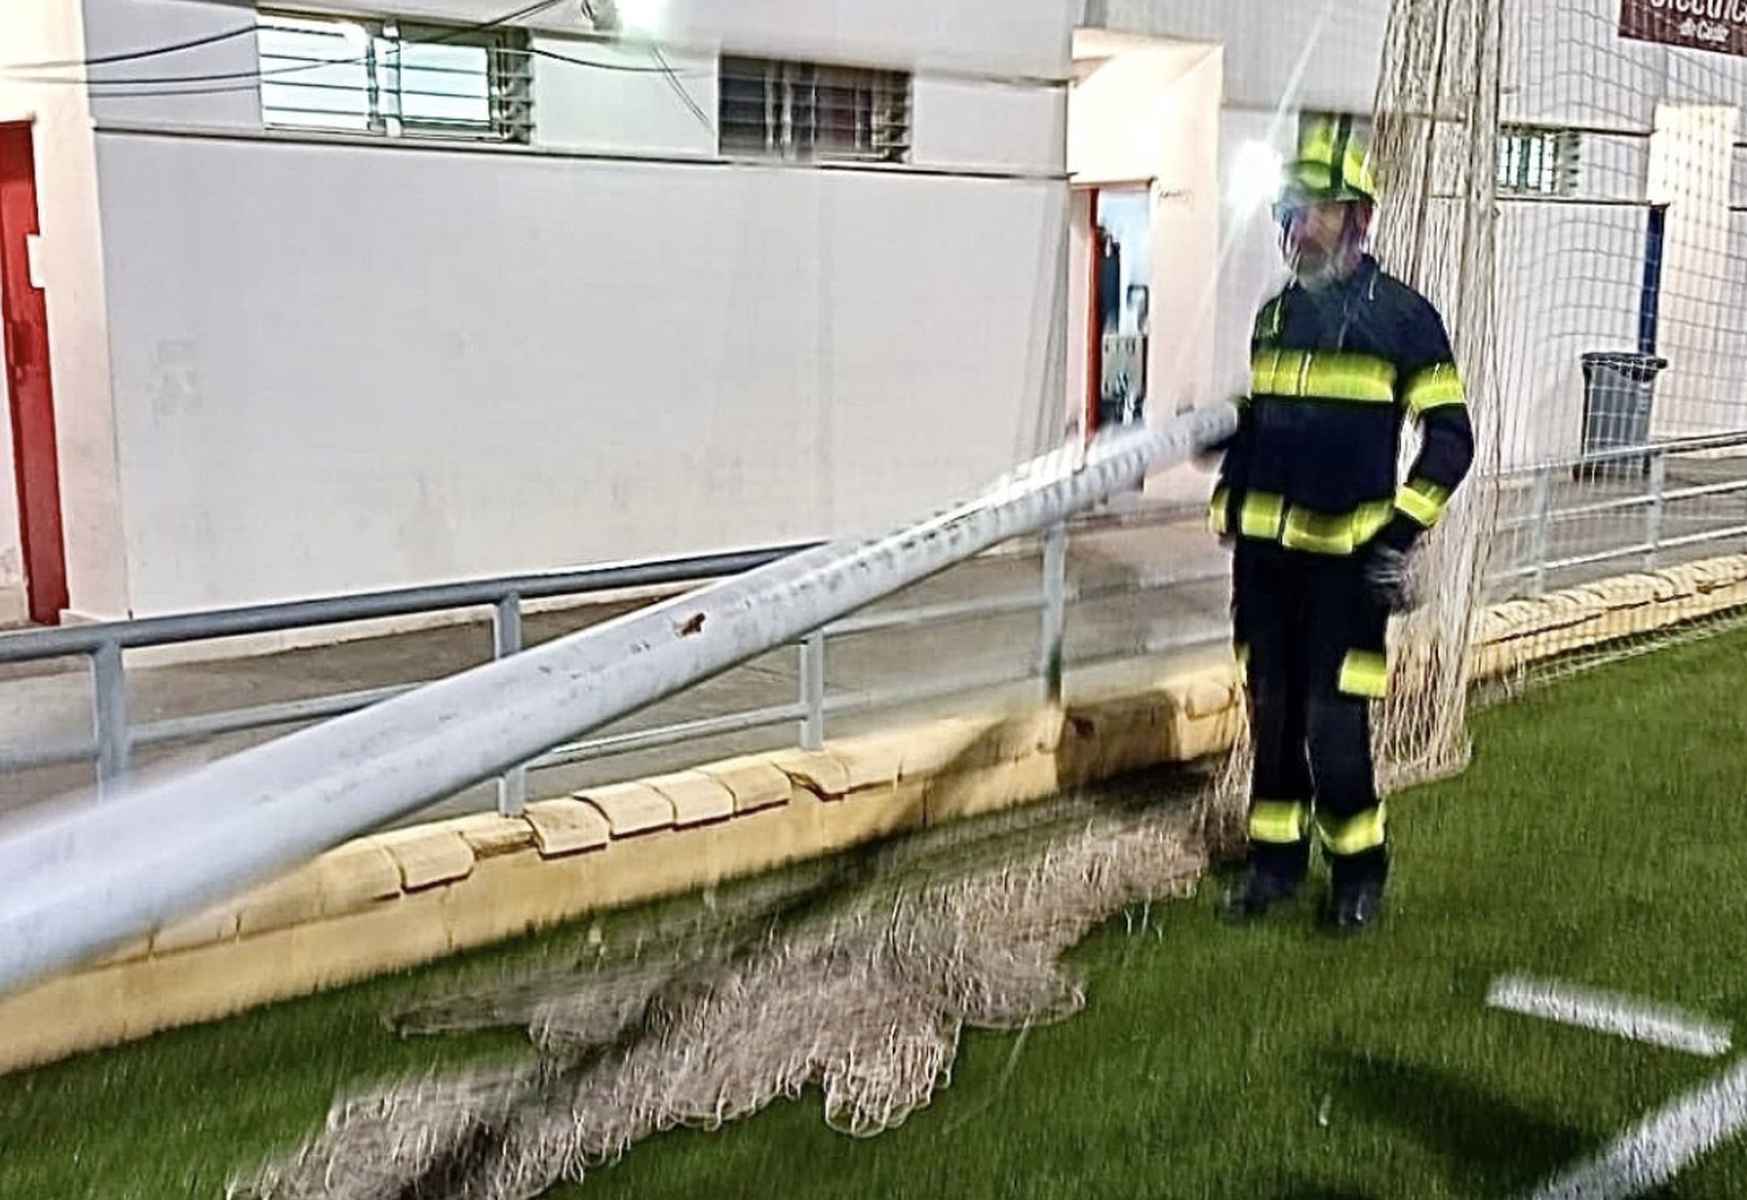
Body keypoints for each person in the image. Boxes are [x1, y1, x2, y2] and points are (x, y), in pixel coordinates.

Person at [1208, 114, 1475, 933]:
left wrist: (1397, 535)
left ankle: (1358, 874)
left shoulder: (1404, 318)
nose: (1293, 225)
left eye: (1310, 209)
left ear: (1356, 216)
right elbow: (1262, 425)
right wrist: (1226, 485)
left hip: (1346, 570)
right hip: (1263, 564)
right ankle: (1273, 866)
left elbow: (1452, 439)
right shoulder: (1276, 316)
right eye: (1287, 209)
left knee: (1333, 726)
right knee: (1272, 714)